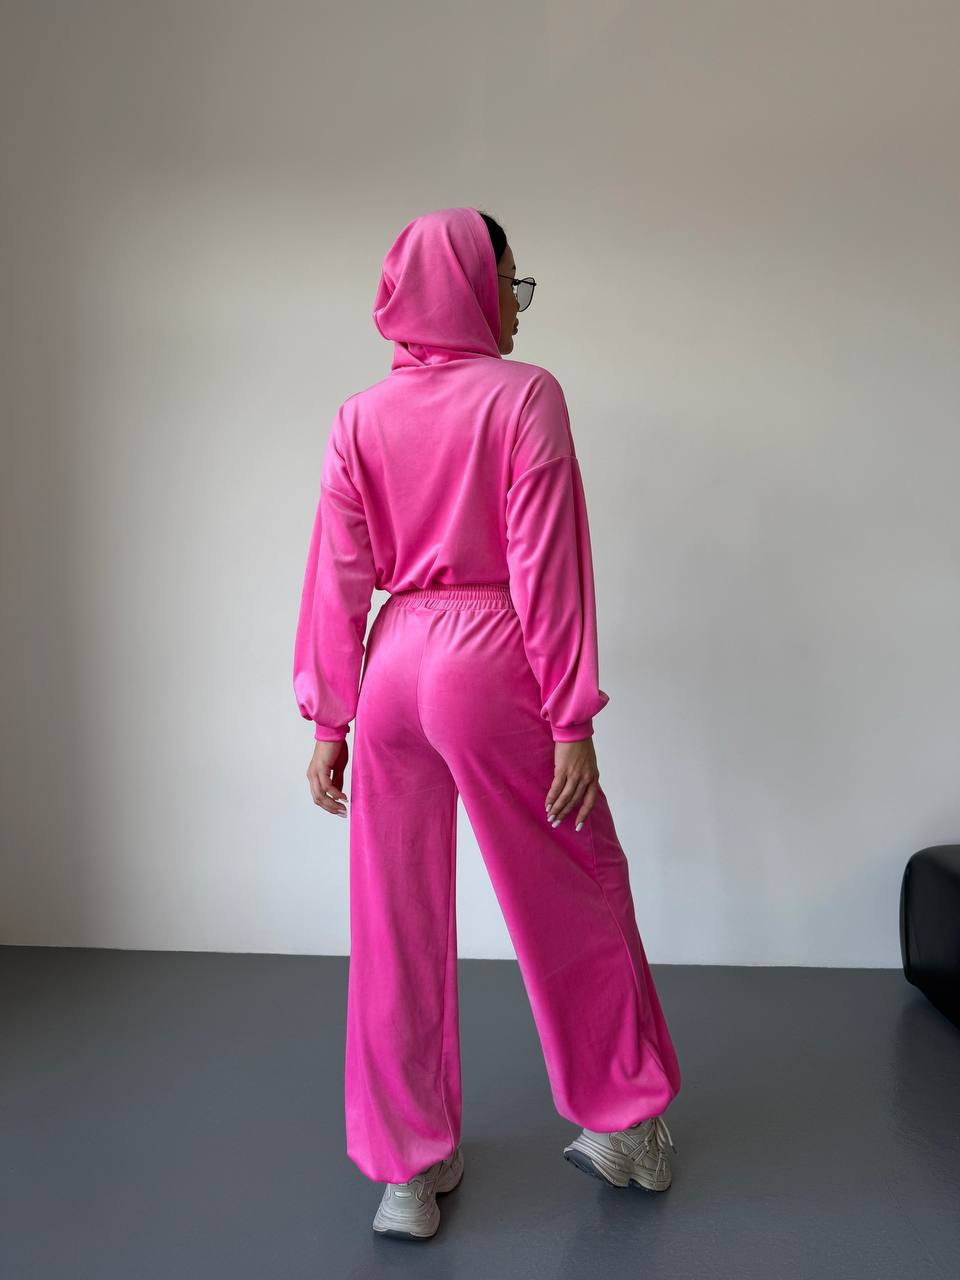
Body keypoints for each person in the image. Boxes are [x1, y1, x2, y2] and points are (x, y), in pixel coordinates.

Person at [292, 206, 681, 1240]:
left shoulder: (359, 418)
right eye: (509, 283)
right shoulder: (525, 396)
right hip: (491, 654)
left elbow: (338, 573)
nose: (515, 305)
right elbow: (548, 564)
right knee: (574, 884)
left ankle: (407, 1171)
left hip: (392, 667)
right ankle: (624, 1121)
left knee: (393, 918)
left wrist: (330, 717)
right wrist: (571, 716)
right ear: (470, 286)